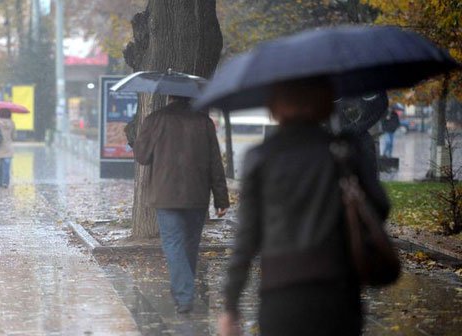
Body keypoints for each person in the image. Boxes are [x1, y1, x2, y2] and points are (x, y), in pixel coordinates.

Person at [217, 79, 390, 336]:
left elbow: (247, 238)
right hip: (338, 291)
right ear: (325, 104)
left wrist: (231, 305)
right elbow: (380, 207)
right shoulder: (344, 150)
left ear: (275, 106)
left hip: (282, 293)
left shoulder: (261, 157)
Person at [133, 95, 230, 314]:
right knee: (189, 245)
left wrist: (136, 135)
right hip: (197, 194)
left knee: (173, 243)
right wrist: (221, 198)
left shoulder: (156, 119)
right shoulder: (203, 122)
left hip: (165, 194)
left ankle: (184, 295)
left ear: (169, 96)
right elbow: (216, 161)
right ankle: (183, 292)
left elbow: (142, 157)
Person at [0, 109, 16, 188]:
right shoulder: (12, 123)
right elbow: (14, 136)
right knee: (6, 168)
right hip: (8, 148)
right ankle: (5, 182)